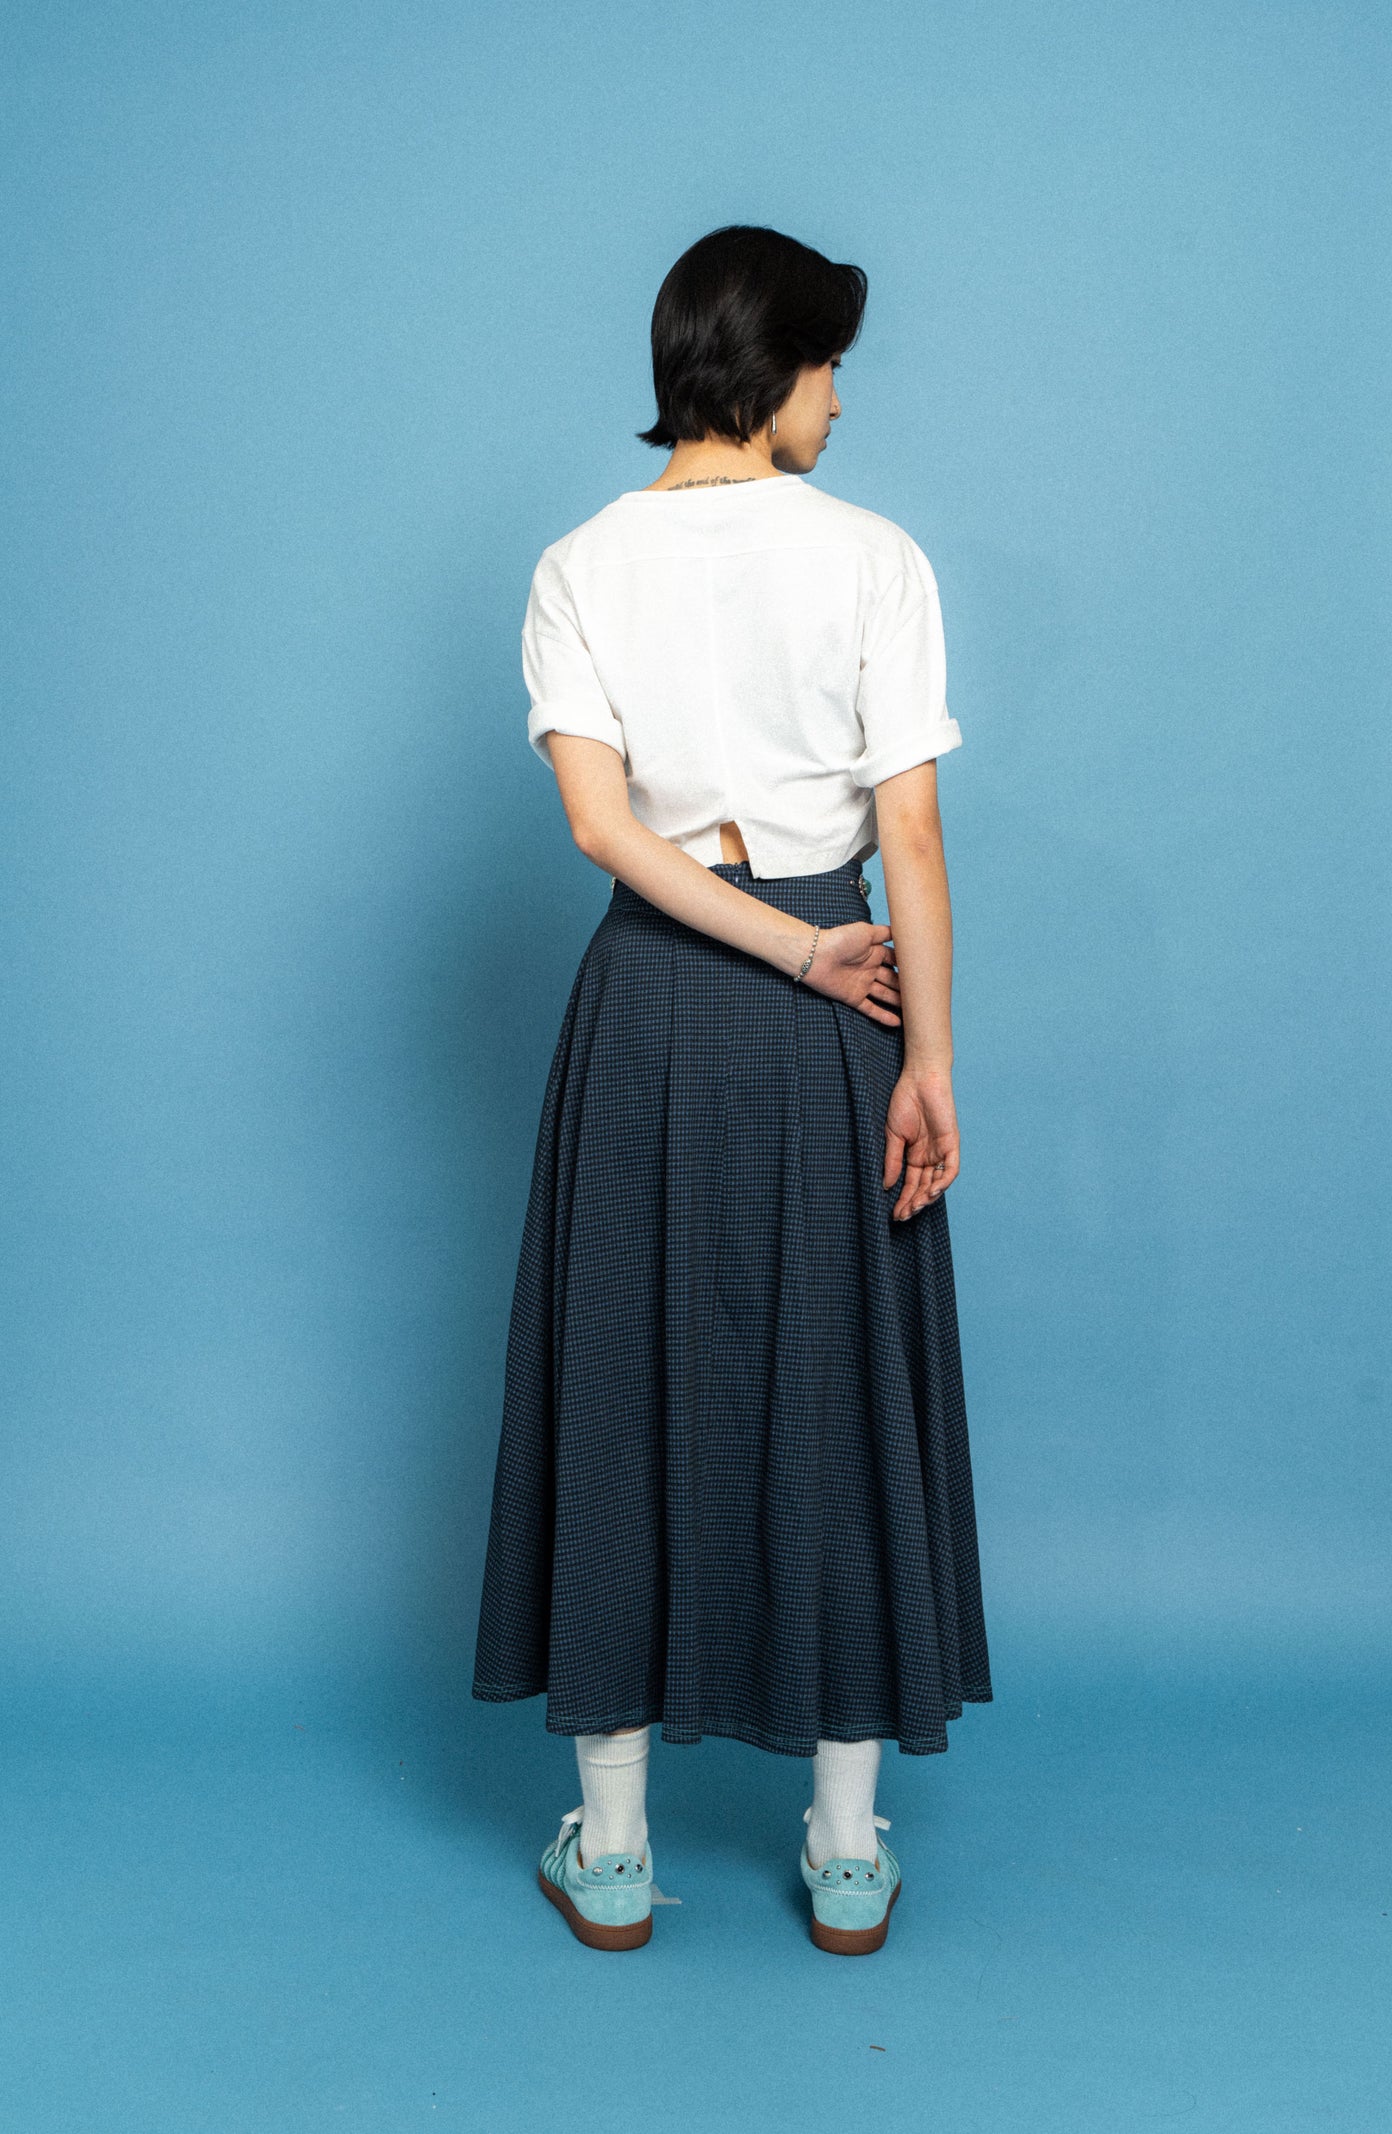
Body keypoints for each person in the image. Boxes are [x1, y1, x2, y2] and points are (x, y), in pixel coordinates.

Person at [471, 223, 991, 1955]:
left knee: (621, 1381)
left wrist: (780, 950)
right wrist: (921, 1053)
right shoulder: (874, 558)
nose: (839, 403)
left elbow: (600, 828)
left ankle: (612, 1849)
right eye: (831, 369)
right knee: (842, 1393)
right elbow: (908, 830)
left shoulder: (575, 564)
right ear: (772, 371)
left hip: (646, 1003)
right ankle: (843, 1847)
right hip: (838, 1001)